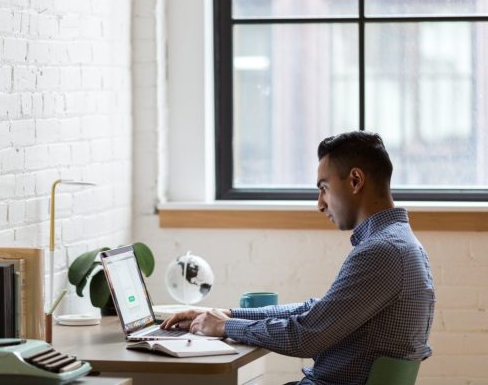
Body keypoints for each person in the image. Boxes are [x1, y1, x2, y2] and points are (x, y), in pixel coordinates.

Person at [161, 131, 435, 385]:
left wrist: (225, 327)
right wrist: (228, 314)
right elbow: (316, 311)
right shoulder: (399, 244)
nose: (320, 203)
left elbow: (307, 336)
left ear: (355, 180)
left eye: (324, 187)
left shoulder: (382, 251)